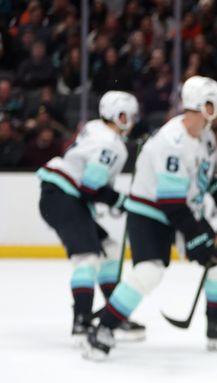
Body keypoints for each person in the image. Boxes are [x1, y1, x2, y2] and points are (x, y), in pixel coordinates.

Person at [84, 76, 217, 360]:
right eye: (213, 104)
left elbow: (199, 177)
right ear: (199, 104)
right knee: (149, 272)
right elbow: (170, 200)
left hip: (182, 211)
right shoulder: (171, 141)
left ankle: (215, 327)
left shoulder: (205, 136)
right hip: (150, 214)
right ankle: (102, 328)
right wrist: (195, 236)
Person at [37, 91, 144, 344]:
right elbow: (90, 187)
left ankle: (113, 314)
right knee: (88, 257)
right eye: (125, 115)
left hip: (59, 196)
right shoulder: (112, 144)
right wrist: (121, 201)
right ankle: (82, 321)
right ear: (115, 115)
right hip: (64, 197)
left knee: (109, 249)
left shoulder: (95, 128)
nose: (130, 121)